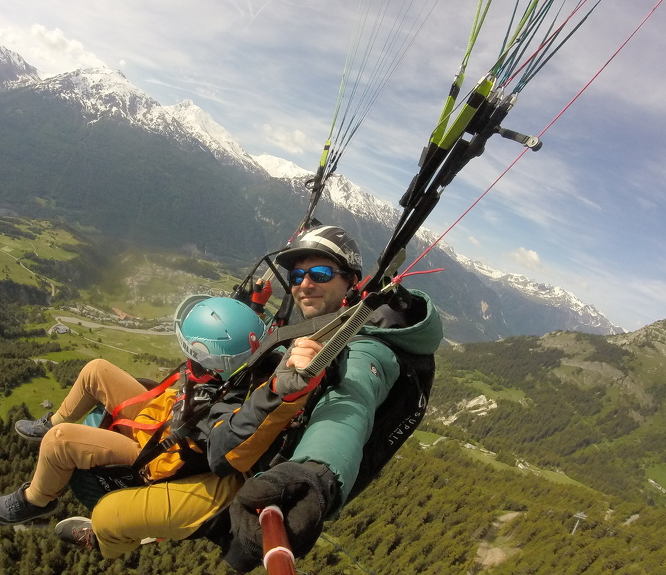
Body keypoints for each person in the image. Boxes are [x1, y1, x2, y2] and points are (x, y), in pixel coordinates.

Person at [57, 225, 442, 569]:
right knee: (148, 394)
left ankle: (106, 541)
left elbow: (348, 409)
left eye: (320, 274)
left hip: (245, 473)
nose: (304, 284)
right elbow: (274, 337)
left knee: (109, 515)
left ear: (351, 281)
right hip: (240, 425)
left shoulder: (364, 349)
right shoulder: (323, 316)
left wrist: (316, 474)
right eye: (298, 275)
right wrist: (256, 306)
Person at [0, 295, 267, 527]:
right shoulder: (239, 369)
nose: (188, 357)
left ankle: (35, 500)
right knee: (96, 370)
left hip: (152, 454)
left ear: (213, 359)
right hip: (163, 418)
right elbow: (245, 344)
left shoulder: (225, 412)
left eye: (193, 353)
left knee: (59, 442)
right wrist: (255, 306)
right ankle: (54, 419)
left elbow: (224, 440)